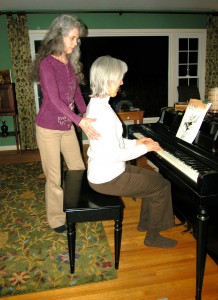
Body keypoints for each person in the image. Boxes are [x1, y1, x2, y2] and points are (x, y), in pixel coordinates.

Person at [86, 55, 177, 248]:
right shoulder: (102, 113)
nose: (121, 82)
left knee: (157, 181)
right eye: (119, 77)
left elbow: (114, 143)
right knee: (162, 187)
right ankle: (153, 236)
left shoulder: (99, 104)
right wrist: (145, 148)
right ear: (107, 79)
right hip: (108, 178)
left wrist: (136, 143)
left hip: (108, 171)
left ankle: (146, 224)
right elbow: (115, 154)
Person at [29, 15, 100, 233]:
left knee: (78, 168)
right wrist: (79, 121)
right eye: (72, 38)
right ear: (59, 36)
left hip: (66, 126)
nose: (76, 42)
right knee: (54, 177)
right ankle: (56, 218)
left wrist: (87, 113)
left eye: (77, 39)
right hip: (48, 128)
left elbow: (77, 93)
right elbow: (53, 99)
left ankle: (75, 206)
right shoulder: (46, 64)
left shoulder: (68, 64)